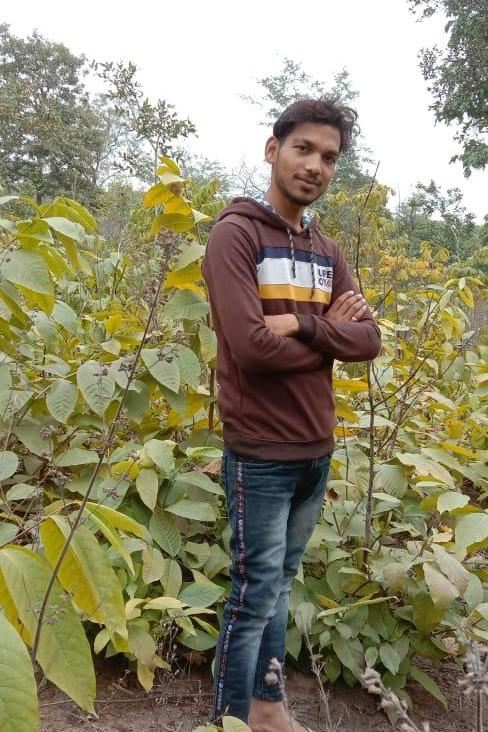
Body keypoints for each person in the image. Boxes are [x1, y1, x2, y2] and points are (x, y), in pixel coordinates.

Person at [202, 98, 381, 732]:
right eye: (303, 148)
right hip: (260, 450)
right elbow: (251, 349)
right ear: (273, 149)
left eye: (329, 157)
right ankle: (228, 721)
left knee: (279, 584)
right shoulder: (236, 235)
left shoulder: (325, 250)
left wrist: (303, 326)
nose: (315, 166)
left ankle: (268, 708)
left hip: (314, 449)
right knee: (253, 596)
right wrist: (328, 335)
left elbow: (368, 340)